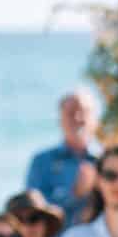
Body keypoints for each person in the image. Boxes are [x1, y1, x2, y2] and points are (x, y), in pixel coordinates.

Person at [26, 88, 100, 223]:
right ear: (60, 119)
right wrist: (74, 195)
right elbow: (33, 213)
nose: (78, 118)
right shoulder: (42, 162)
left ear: (95, 119)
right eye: (71, 113)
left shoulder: (106, 161)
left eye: (83, 112)